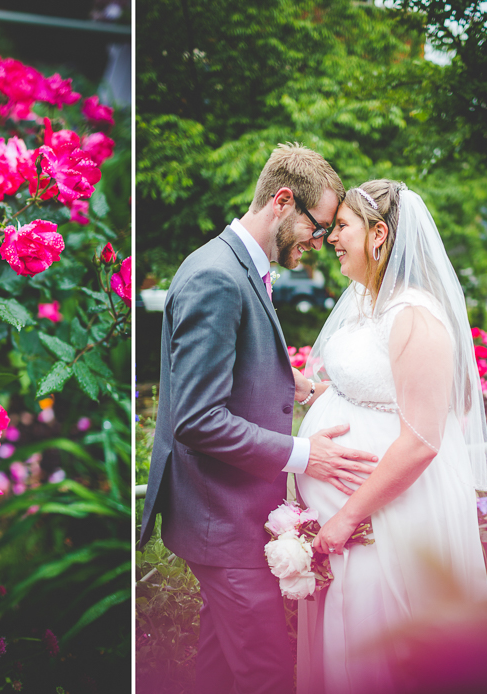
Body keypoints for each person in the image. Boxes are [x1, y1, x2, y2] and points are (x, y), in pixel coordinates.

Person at [139, 143, 379, 694]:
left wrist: (281, 381)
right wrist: (306, 455)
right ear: (283, 201)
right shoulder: (217, 277)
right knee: (267, 674)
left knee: (221, 668)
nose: (318, 244)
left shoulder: (238, 267)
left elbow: (219, 376)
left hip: (232, 517)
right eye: (317, 228)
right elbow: (197, 419)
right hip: (221, 521)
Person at [293, 180, 487, 694]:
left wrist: (344, 517)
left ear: (378, 233)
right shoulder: (366, 300)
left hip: (388, 515)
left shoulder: (416, 317)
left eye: (341, 226)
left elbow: (422, 440)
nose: (329, 237)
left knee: (379, 645)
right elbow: (370, 384)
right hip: (357, 515)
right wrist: (312, 389)